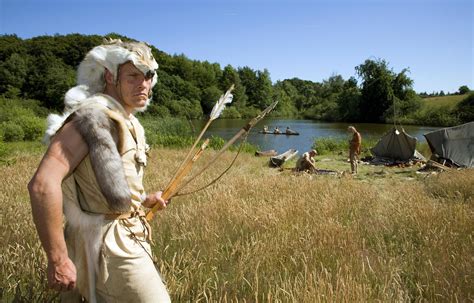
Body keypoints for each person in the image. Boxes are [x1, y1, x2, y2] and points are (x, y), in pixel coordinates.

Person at [28, 39, 171, 302]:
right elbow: (42, 184)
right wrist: (58, 259)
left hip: (123, 236)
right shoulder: (93, 117)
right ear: (110, 75)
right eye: (132, 76)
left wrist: (142, 200)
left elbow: (99, 184)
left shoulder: (127, 119)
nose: (143, 84)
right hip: (108, 248)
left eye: (148, 77)